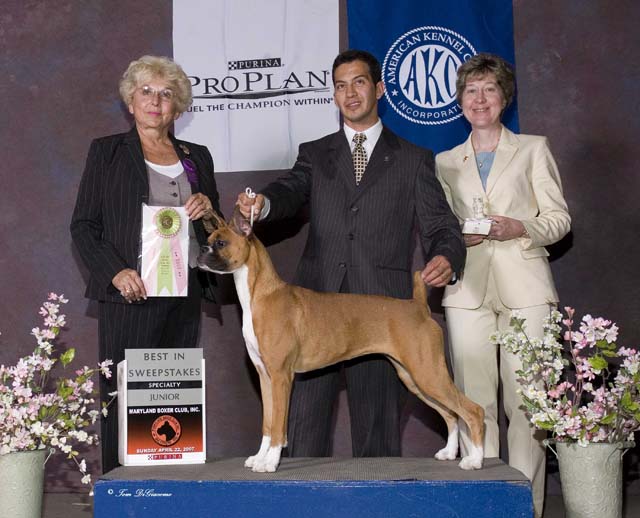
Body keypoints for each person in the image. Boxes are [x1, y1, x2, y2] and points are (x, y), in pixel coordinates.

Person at [236, 49, 465, 458]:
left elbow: (442, 225)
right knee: (302, 435)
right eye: (340, 86)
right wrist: (263, 204)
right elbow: (289, 192)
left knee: (377, 439)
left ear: (378, 88)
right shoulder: (315, 152)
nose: (350, 93)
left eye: (359, 82)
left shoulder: (413, 159)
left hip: (381, 311)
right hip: (313, 305)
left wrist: (447, 255)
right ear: (334, 95)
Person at [435, 53, 571, 517]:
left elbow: (559, 221)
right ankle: (486, 505)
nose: (480, 99)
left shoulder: (534, 148)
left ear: (504, 98)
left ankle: (526, 507)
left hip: (526, 287)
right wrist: (458, 236)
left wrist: (521, 227)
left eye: (489, 89)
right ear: (459, 101)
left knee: (527, 405)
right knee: (475, 403)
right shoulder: (444, 161)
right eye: (471, 90)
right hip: (467, 292)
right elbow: (441, 227)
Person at [70, 55, 220, 473]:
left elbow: (215, 233)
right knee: (123, 399)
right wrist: (115, 272)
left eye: (166, 94)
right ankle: (122, 490)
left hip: (184, 294)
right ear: (130, 102)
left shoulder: (197, 157)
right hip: (130, 295)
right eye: (146, 92)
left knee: (175, 398)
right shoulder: (107, 153)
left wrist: (209, 211)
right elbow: (83, 225)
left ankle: (170, 490)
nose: (156, 101)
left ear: (178, 106)